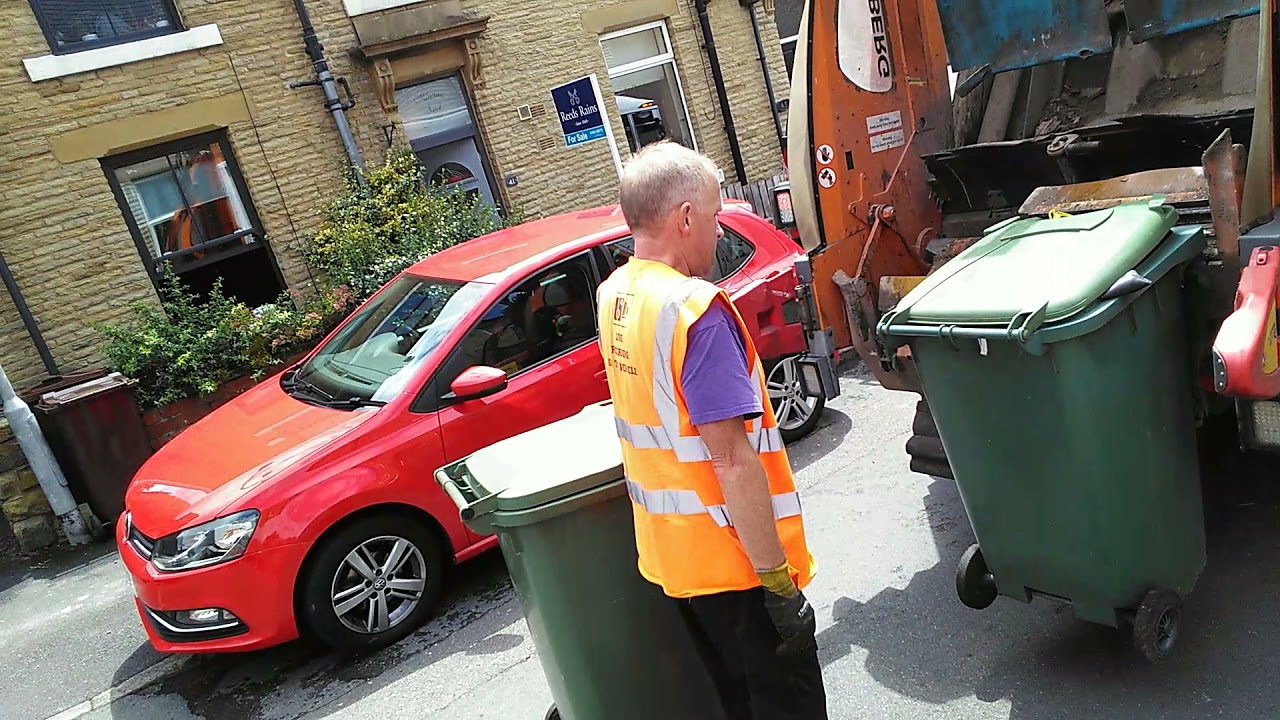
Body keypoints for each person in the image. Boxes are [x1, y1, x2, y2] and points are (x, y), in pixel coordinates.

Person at [596, 140, 829, 719]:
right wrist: (777, 583)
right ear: (684, 218)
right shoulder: (693, 311)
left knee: (739, 705)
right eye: (717, 217)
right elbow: (730, 459)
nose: (721, 233)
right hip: (737, 567)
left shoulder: (616, 296)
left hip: (676, 562)